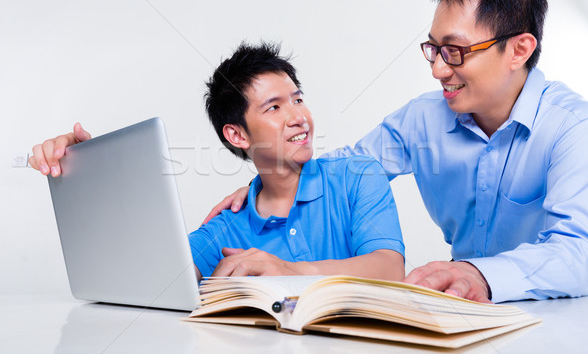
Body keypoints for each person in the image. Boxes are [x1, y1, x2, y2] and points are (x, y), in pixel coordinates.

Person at [205, 0, 588, 303]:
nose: (438, 70)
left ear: (519, 50)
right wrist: (270, 181)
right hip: (460, 310)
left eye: (455, 51)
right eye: (434, 49)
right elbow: (346, 170)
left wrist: (481, 275)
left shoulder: (575, 129)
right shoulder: (423, 119)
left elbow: (580, 254)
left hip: (552, 317)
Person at [29, 42, 406, 281]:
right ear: (237, 135)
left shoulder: (358, 177)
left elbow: (389, 268)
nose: (297, 116)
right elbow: (151, 277)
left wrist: (287, 271)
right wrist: (88, 170)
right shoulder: (225, 229)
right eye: (274, 107)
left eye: (297, 98)